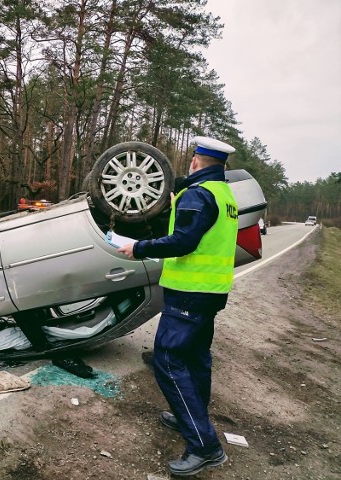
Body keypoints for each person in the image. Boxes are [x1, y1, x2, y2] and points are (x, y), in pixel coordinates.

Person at [118, 136, 238, 477]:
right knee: (196, 357)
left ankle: (205, 446)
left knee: (168, 361)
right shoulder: (223, 194)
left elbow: (184, 241)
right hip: (211, 292)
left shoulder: (199, 195)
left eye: (192, 159)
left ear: (197, 161)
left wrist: (138, 247)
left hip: (189, 293)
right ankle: (190, 414)